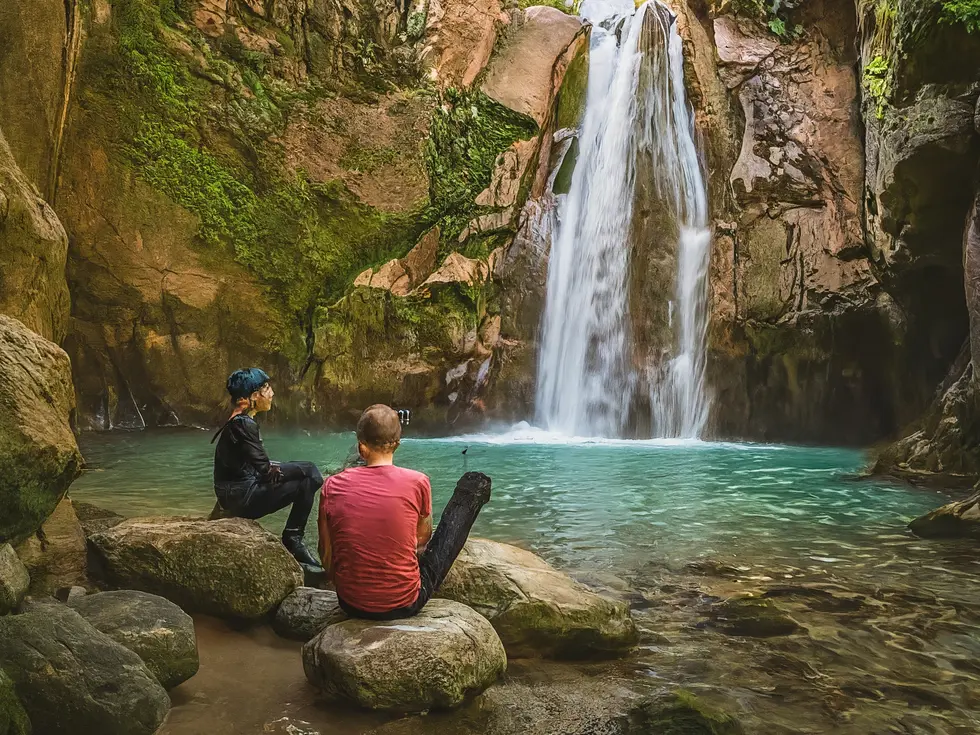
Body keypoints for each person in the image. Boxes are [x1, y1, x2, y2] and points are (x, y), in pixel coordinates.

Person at [318, 404, 491, 619]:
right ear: (397, 444)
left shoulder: (332, 485)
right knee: (472, 490)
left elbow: (325, 551)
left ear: (361, 448)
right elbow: (422, 541)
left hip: (350, 602)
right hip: (403, 603)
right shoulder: (417, 482)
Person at [212, 368, 323, 572]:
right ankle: (293, 538)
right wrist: (297, 470)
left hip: (233, 495)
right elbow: (264, 469)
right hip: (241, 498)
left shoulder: (238, 421)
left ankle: (293, 537)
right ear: (252, 397)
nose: (271, 393)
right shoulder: (243, 424)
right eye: (266, 388)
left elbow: (251, 466)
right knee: (312, 474)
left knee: (307, 473)